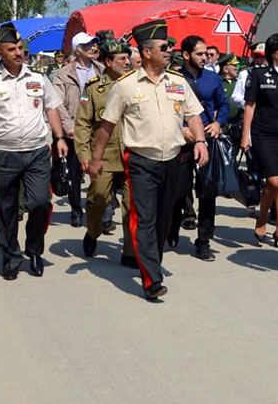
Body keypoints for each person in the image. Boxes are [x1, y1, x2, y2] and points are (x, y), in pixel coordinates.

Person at [88, 20, 208, 300]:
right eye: (164, 47)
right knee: (144, 218)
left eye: (170, 47)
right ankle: (150, 278)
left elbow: (193, 115)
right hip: (141, 161)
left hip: (173, 161)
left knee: (164, 219)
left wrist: (201, 141)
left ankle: (151, 259)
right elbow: (107, 126)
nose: (169, 51)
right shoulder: (126, 87)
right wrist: (96, 159)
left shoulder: (178, 83)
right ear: (145, 52)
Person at [0, 22, 69, 280]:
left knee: (40, 203)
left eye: (20, 48)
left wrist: (59, 137)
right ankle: (11, 257)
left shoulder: (38, 76)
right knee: (6, 210)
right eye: (11, 48)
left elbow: (51, 108)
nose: (18, 53)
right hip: (3, 153)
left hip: (37, 151)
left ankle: (34, 251)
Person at [73, 34, 134, 263]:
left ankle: (129, 252)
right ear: (108, 62)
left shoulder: (136, 86)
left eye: (128, 58)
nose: (127, 62)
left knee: (131, 207)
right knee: (97, 200)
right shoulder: (93, 89)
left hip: (131, 155)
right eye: (121, 59)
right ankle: (93, 231)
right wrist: (85, 156)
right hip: (104, 156)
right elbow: (83, 124)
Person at [169, 35, 230, 260]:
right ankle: (172, 227)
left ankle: (203, 240)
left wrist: (218, 123)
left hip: (207, 140)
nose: (205, 58)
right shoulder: (174, 78)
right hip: (182, 141)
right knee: (178, 190)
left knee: (207, 191)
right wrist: (181, 128)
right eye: (199, 54)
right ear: (186, 55)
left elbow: (224, 105)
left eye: (206, 54)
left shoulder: (213, 79)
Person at [240, 33, 278, 247]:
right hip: (264, 134)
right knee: (273, 180)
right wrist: (246, 134)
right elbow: (250, 105)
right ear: (273, 53)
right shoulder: (259, 74)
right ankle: (262, 217)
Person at [53, 31, 103, 227]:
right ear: (77, 50)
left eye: (93, 44)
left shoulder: (101, 70)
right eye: (87, 45)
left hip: (97, 130)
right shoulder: (64, 74)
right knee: (74, 174)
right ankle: (76, 209)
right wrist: (68, 127)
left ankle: (102, 211)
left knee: (101, 172)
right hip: (74, 130)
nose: (92, 48)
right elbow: (57, 104)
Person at [230, 43, 266, 110]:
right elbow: (235, 97)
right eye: (257, 56)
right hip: (248, 111)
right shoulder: (245, 73)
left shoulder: (275, 75)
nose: (259, 59)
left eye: (262, 57)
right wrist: (248, 103)